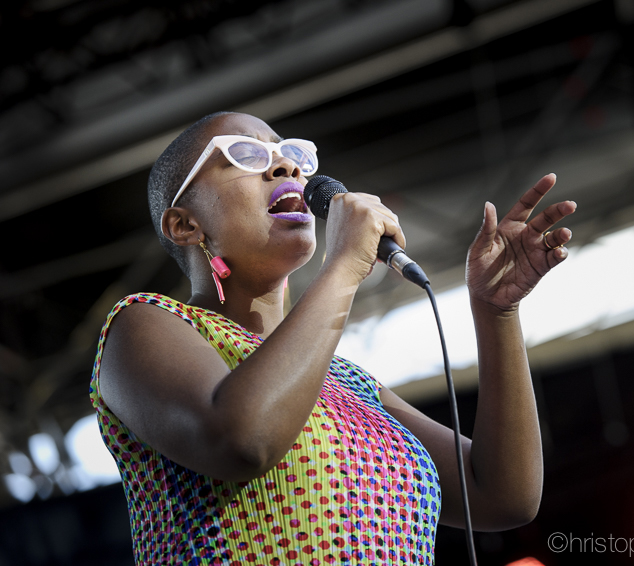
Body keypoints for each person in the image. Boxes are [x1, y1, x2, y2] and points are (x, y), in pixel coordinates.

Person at [90, 111, 576, 565]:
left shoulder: (348, 383)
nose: (284, 166)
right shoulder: (142, 323)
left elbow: (500, 494)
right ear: (184, 224)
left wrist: (496, 312)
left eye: (291, 156)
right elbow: (242, 439)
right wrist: (345, 264)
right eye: (246, 154)